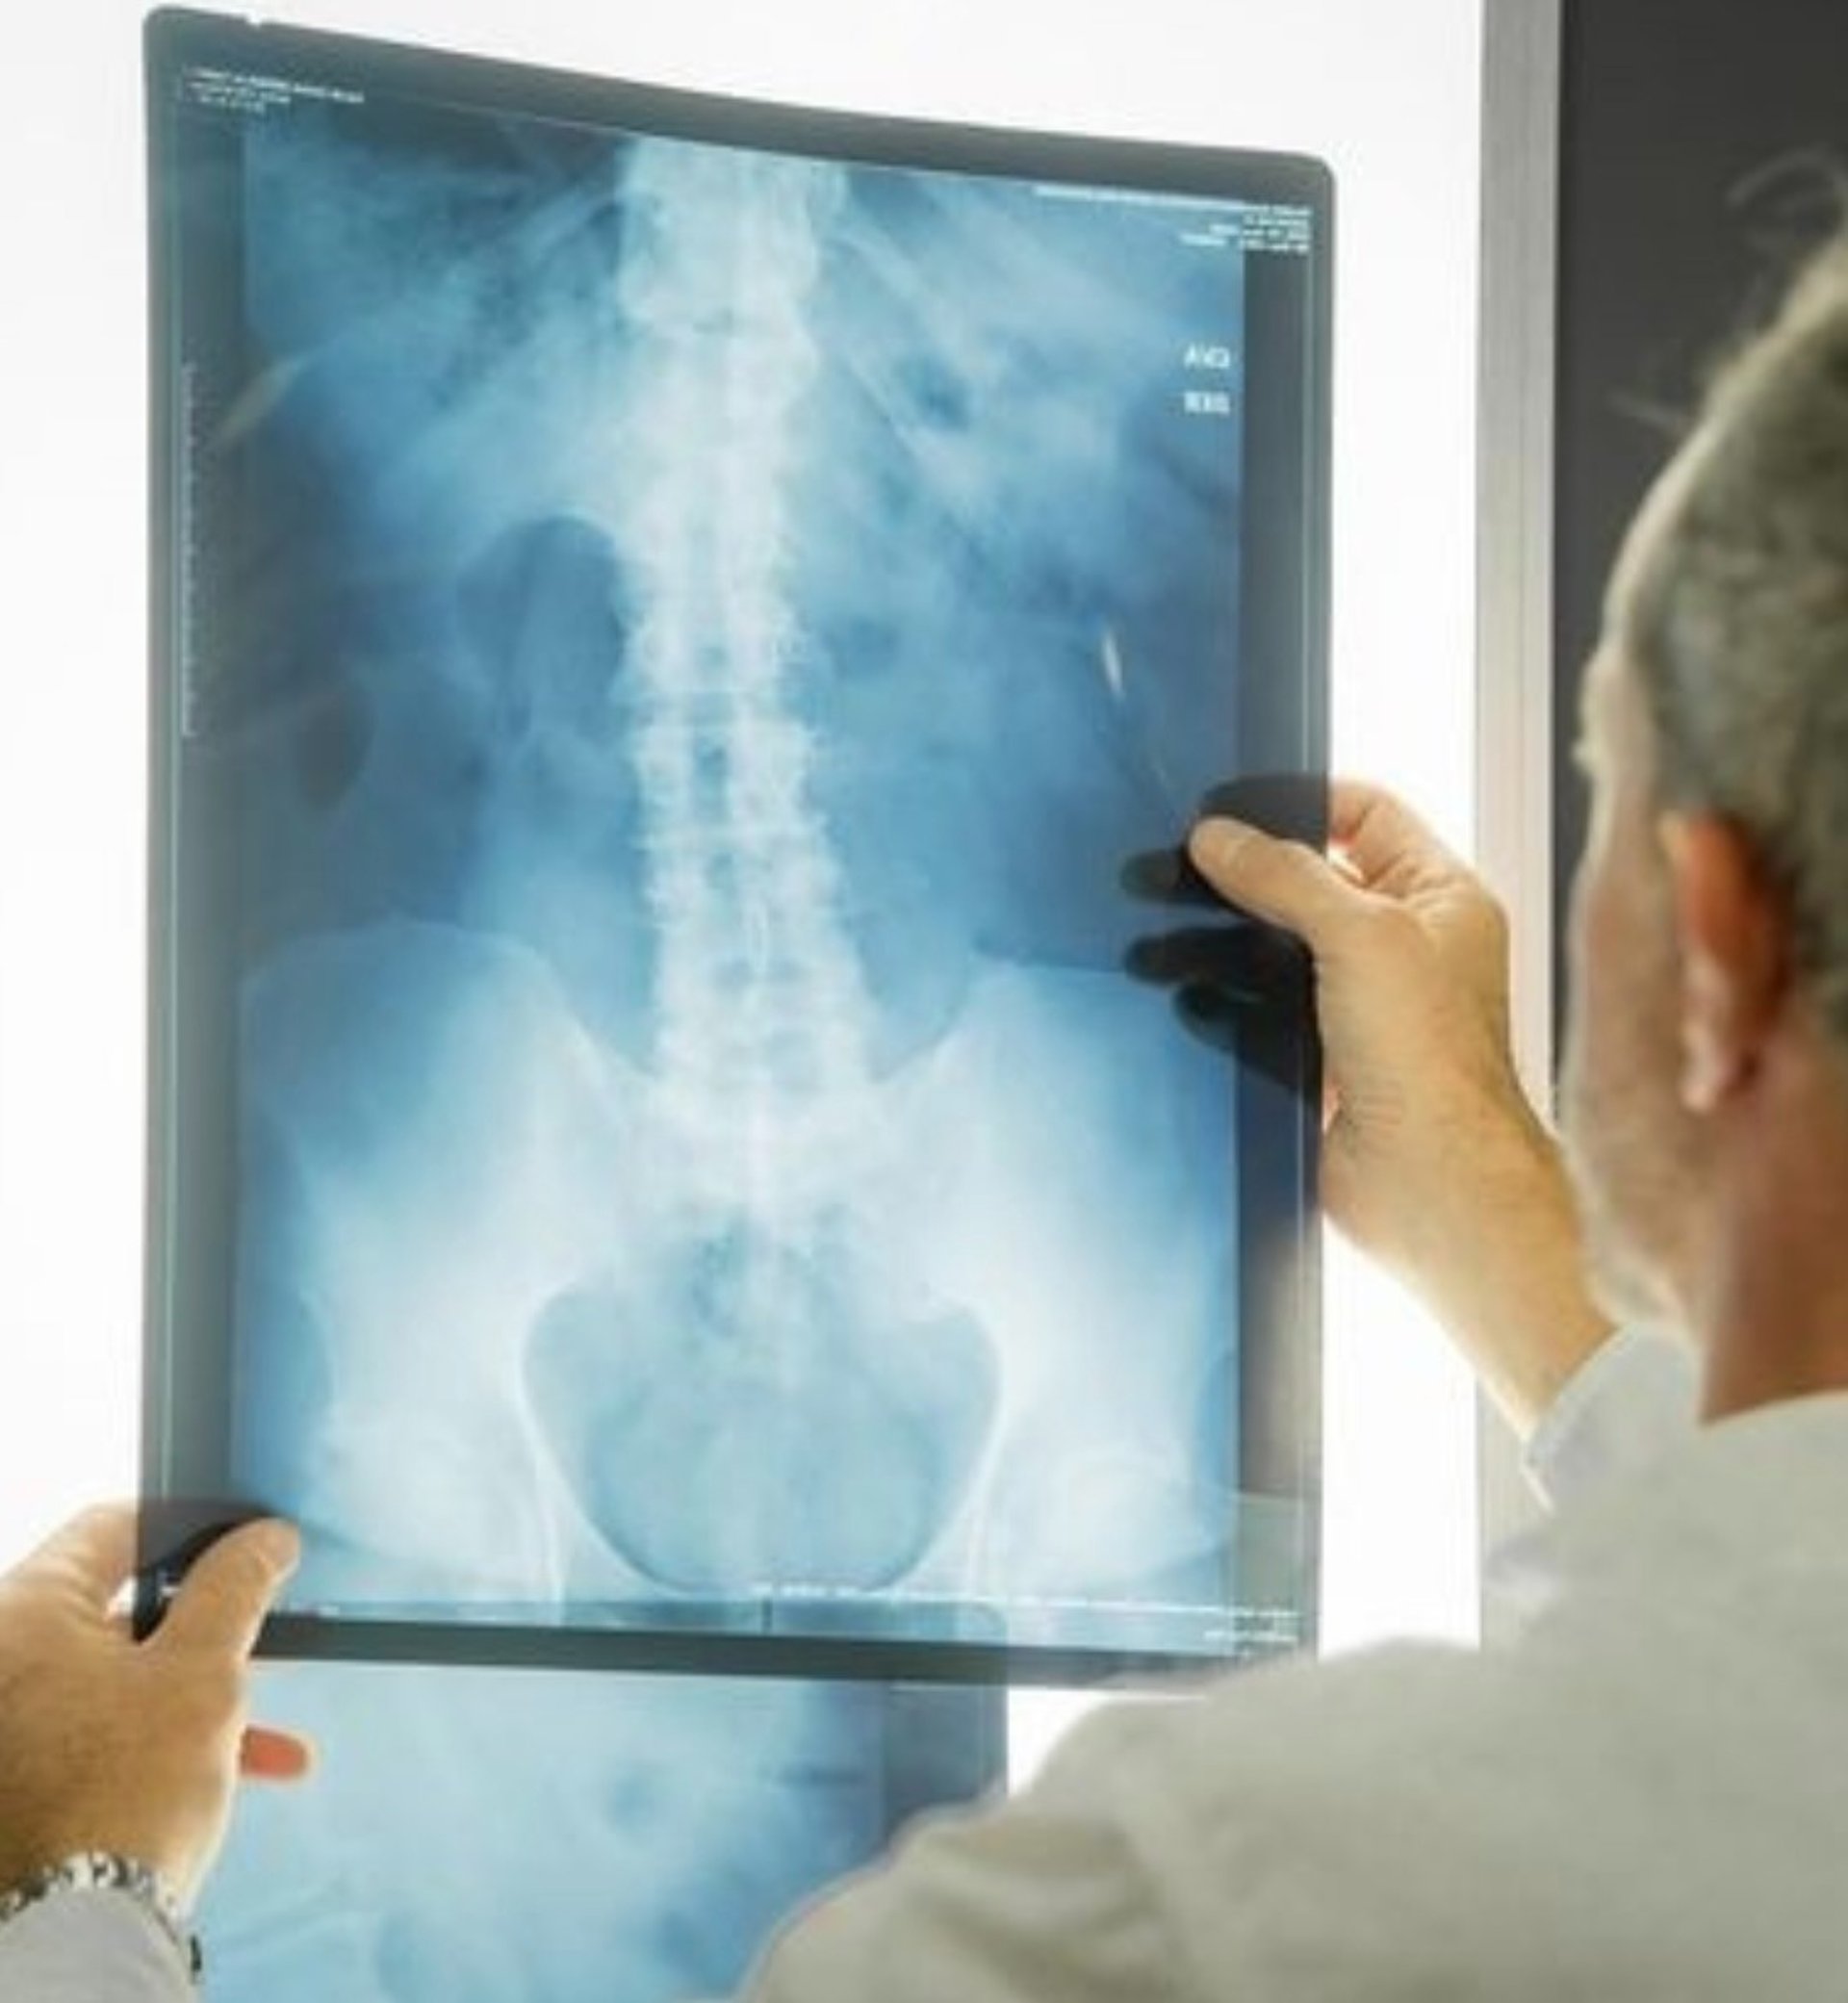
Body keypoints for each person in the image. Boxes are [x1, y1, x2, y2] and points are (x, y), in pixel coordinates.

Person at [3, 236, 1845, 1995]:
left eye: (1603, 778)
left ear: (1721, 934)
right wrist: (1505, 1230)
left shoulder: (1243, 1891)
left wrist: (76, 1877)